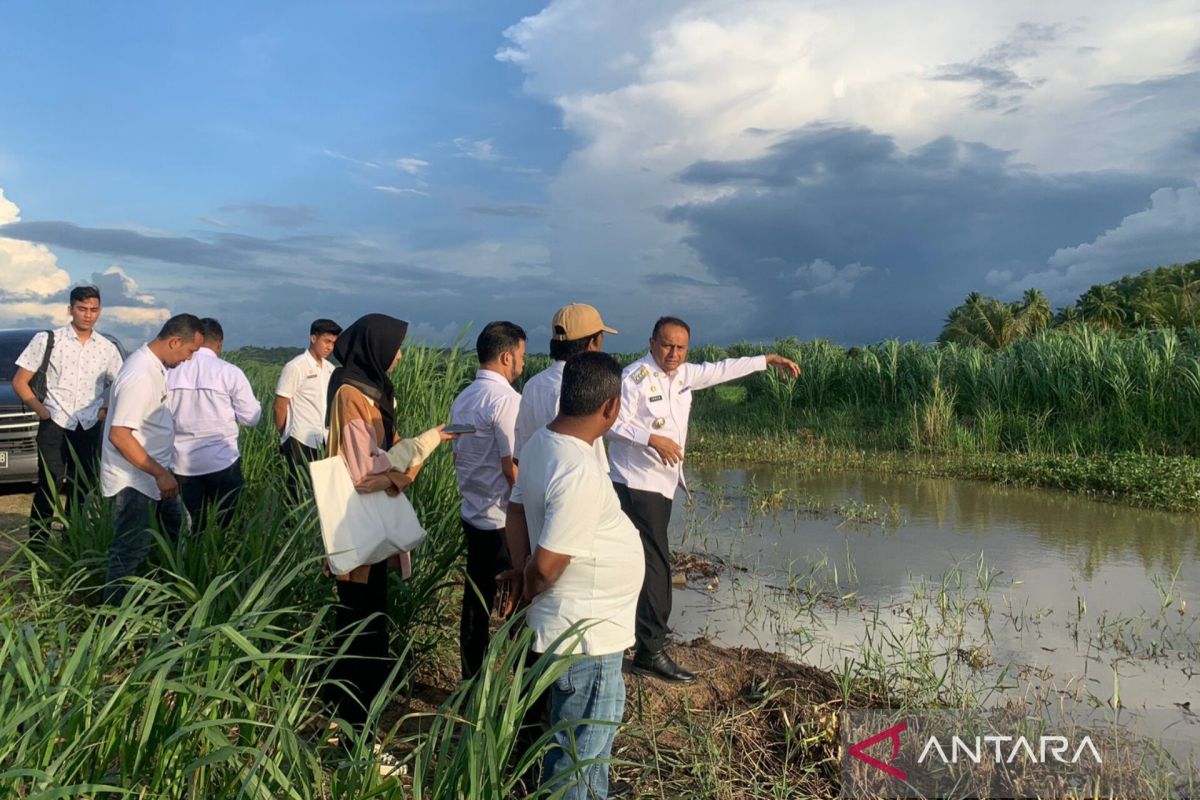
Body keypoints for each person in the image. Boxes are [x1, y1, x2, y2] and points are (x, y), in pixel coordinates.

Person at [607, 316, 800, 682]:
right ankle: (651, 650)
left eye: (680, 347)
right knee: (657, 567)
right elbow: (610, 421)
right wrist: (650, 438)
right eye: (666, 345)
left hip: (659, 485)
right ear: (651, 343)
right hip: (636, 483)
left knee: (643, 562)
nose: (673, 353)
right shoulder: (633, 378)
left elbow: (721, 370)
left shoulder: (683, 375)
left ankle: (632, 636)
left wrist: (766, 360)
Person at [500, 352, 643, 800]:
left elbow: (517, 509)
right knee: (575, 761)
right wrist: (527, 582)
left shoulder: (544, 442)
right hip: (587, 640)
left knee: (585, 755)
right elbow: (546, 566)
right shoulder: (578, 469)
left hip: (571, 629)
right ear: (611, 408)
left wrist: (518, 568)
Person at [322, 313, 452, 772]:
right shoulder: (351, 394)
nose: (398, 356)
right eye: (394, 348)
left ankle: (344, 726)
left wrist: (421, 443)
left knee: (359, 627)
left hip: (366, 538)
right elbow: (364, 473)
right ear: (374, 348)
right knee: (366, 636)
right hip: (359, 539)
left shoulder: (368, 390)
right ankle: (361, 745)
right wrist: (408, 468)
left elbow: (380, 453)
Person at [102, 314, 205, 605]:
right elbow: (120, 435)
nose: (189, 359)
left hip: (154, 474)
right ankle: (113, 619)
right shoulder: (140, 374)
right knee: (129, 550)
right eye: (190, 351)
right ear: (174, 341)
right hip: (136, 479)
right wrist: (160, 473)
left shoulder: (153, 368)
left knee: (177, 529)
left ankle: (173, 593)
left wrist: (162, 472)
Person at [12, 285, 123, 546]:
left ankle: (72, 544)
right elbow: (20, 381)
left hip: (88, 425)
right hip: (55, 422)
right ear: (70, 309)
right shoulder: (49, 340)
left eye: (93, 310)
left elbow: (119, 385)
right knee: (49, 484)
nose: (88, 315)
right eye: (82, 309)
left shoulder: (106, 348)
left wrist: (105, 409)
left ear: (100, 311)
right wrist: (42, 411)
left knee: (81, 488)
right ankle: (37, 547)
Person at [449, 320, 526, 680]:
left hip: (472, 513)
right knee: (516, 602)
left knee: (475, 604)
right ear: (507, 356)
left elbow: (457, 456)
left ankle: (471, 680)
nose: (523, 364)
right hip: (500, 519)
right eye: (522, 356)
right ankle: (520, 684)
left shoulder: (463, 398)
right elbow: (511, 467)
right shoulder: (507, 401)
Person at [166, 318, 262, 529]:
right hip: (222, 461)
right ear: (219, 343)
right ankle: (223, 556)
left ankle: (190, 560)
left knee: (191, 527)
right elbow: (251, 417)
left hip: (181, 463)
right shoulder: (229, 372)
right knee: (226, 525)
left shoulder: (171, 371)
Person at [513, 303, 615, 469]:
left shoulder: (532, 385)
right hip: (573, 486)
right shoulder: (581, 388)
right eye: (601, 340)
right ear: (591, 344)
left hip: (533, 485)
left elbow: (520, 450)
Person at [274, 319, 340, 468]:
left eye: (333, 343)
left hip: (324, 438)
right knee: (298, 488)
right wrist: (285, 437)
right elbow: (279, 407)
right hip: (300, 438)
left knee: (321, 488)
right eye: (326, 341)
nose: (329, 347)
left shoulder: (330, 369)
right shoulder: (296, 367)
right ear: (313, 338)